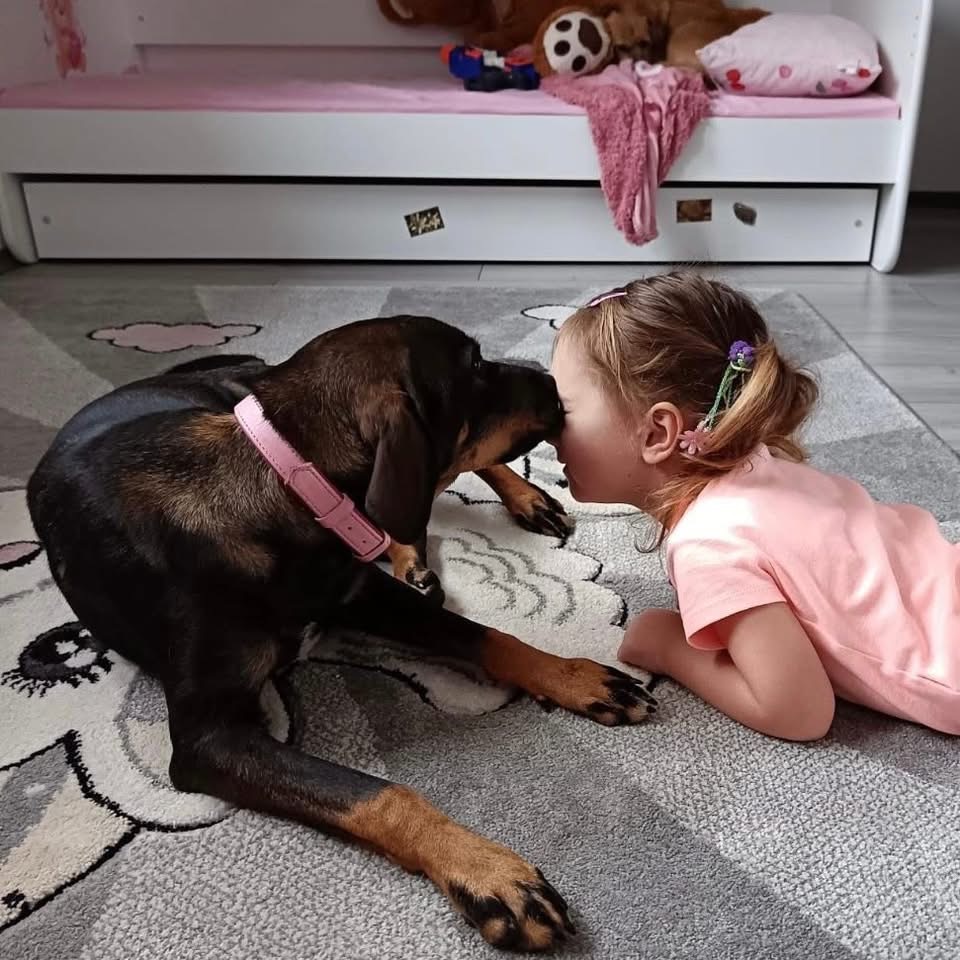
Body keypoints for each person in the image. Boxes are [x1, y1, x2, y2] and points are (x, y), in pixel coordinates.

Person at [550, 273, 960, 739]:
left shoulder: (710, 546)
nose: (547, 428)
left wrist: (669, 645)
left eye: (563, 410)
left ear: (658, 433)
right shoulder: (763, 465)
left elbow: (797, 709)